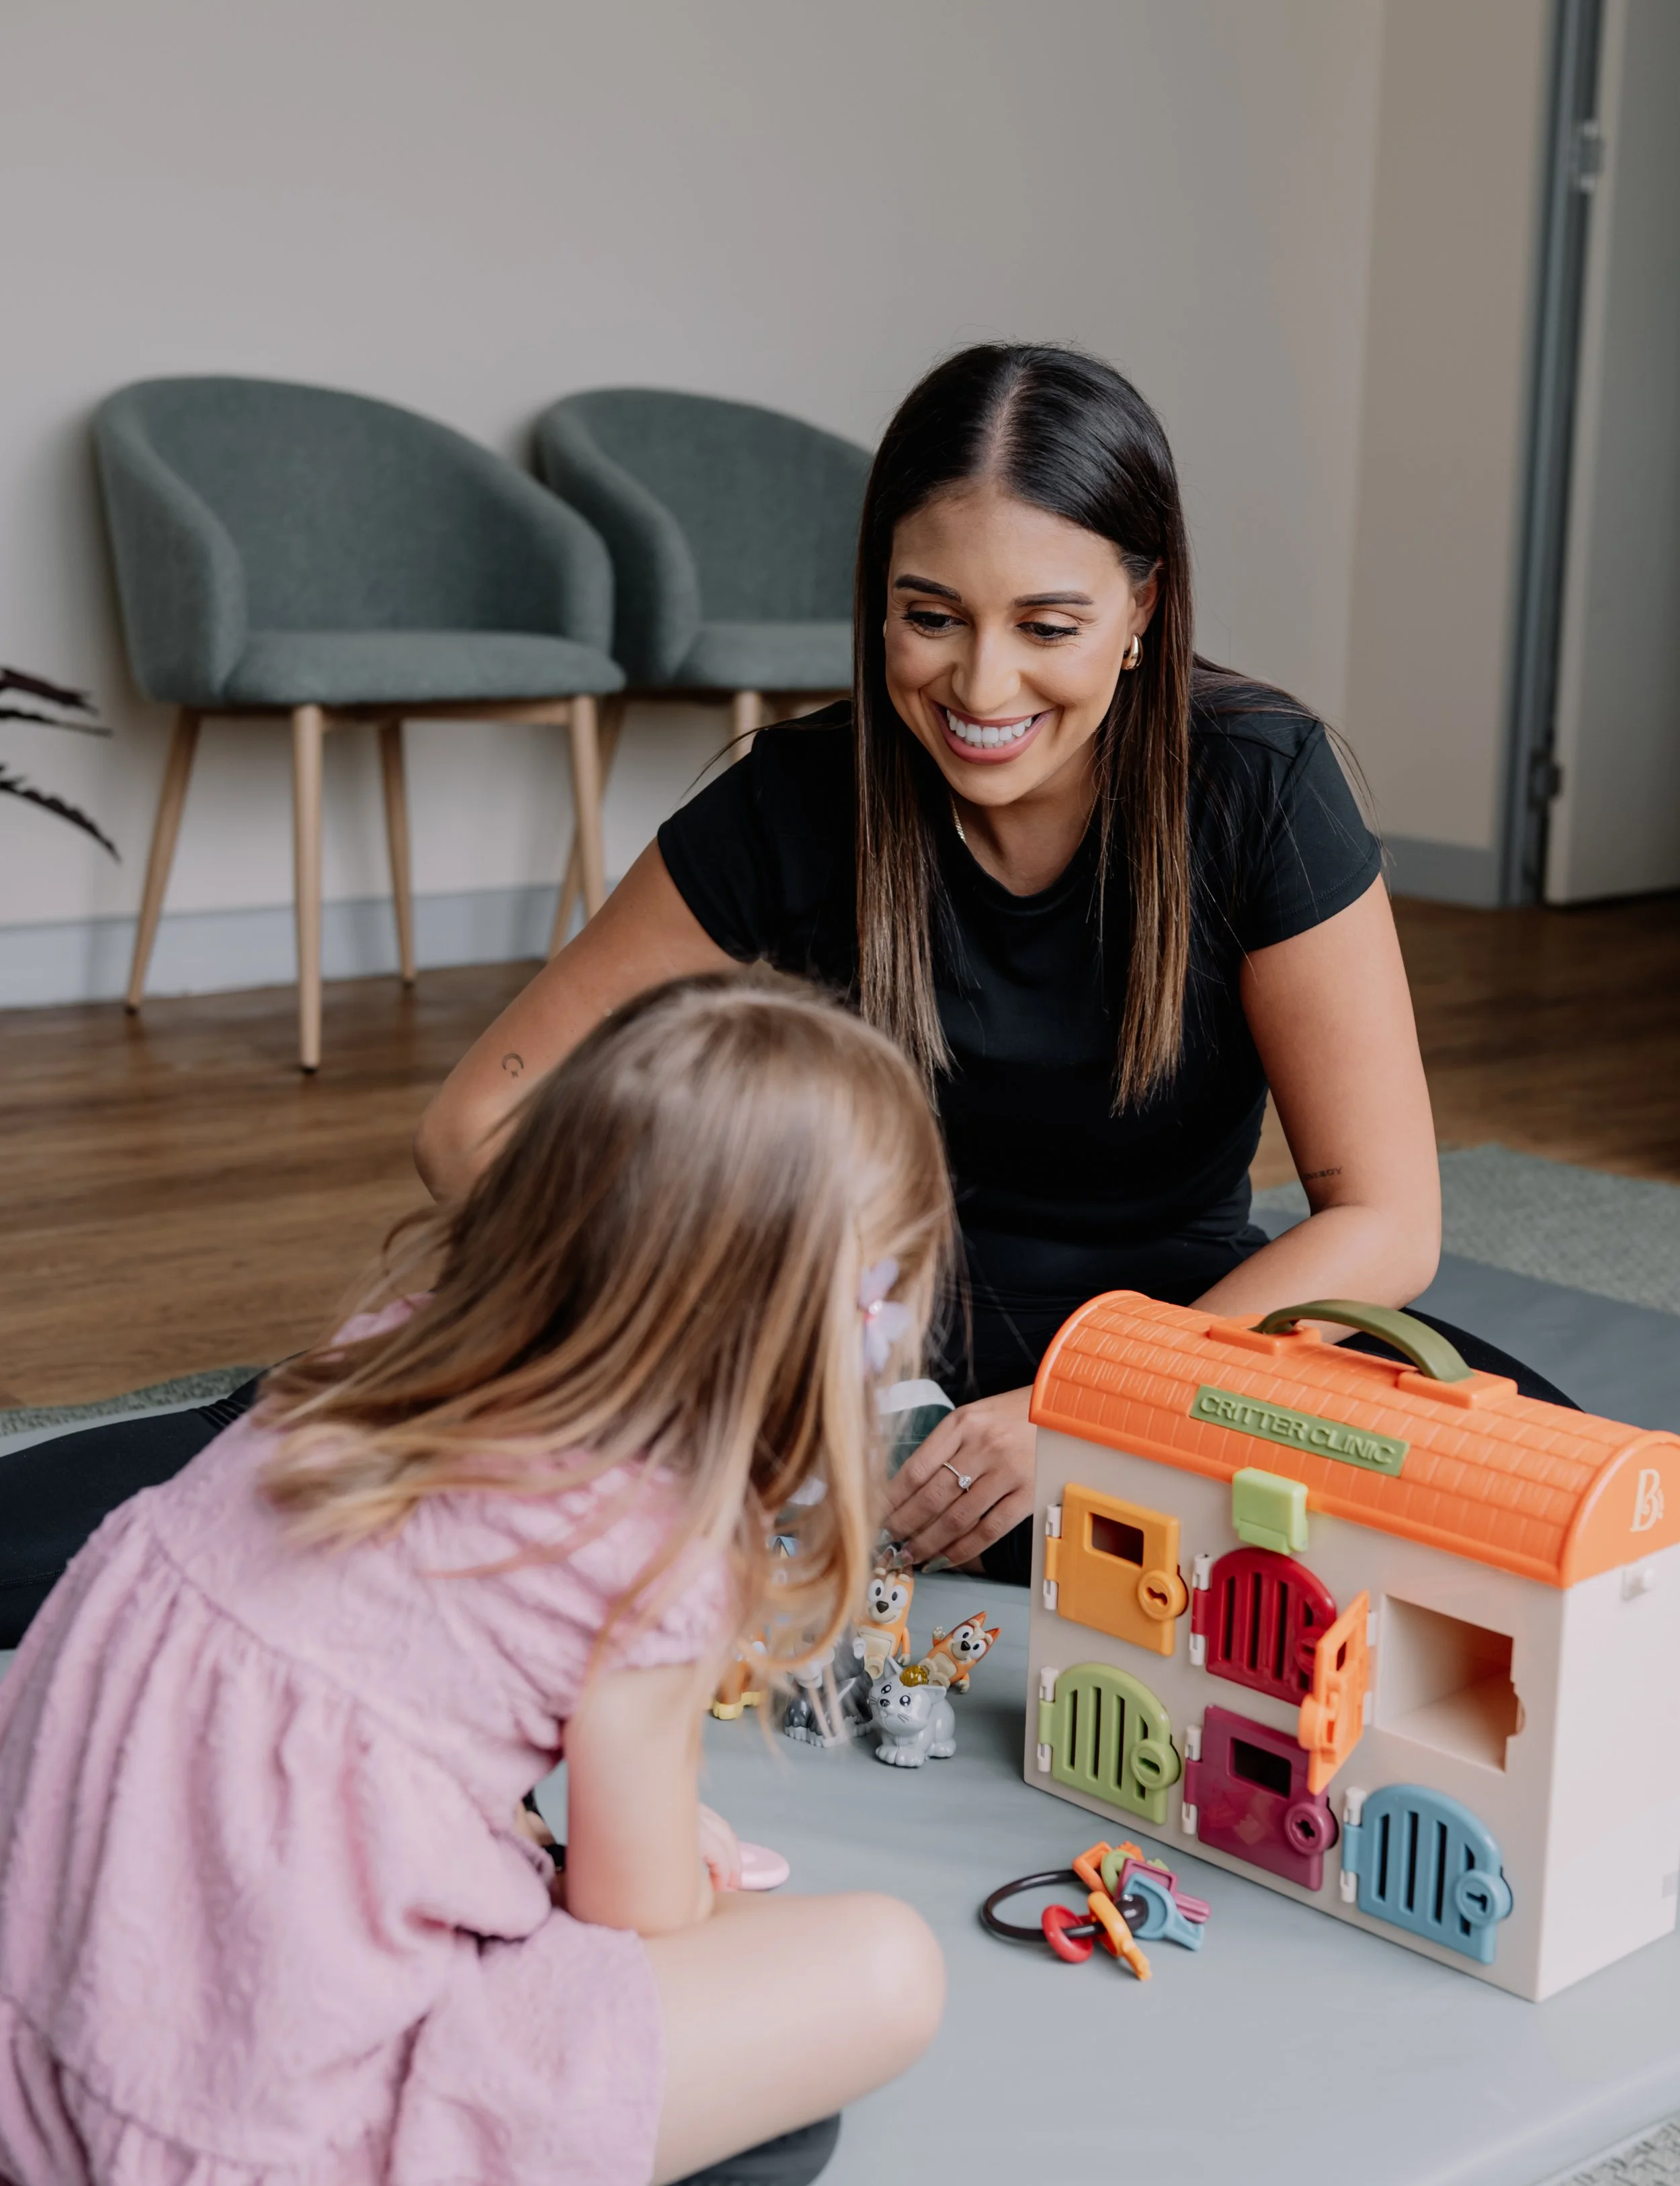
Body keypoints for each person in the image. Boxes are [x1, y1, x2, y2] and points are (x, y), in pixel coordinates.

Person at [413, 343, 1576, 1587]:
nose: (980, 684)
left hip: (1180, 1343)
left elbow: (1386, 1222)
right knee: (395, 1477)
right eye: (931, 618)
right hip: (861, 1349)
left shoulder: (1260, 784)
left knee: (1545, 1510)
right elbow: (476, 1121)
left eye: (1048, 625)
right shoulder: (794, 800)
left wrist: (1089, 1409)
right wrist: (713, 1331)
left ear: (1143, 608)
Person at [0, 972, 950, 2186]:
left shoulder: (389, 1347)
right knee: (882, 1967)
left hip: (48, 2018)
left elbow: (361, 1695)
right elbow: (637, 1917)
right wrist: (655, 1841)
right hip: (248, 2129)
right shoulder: (662, 1543)